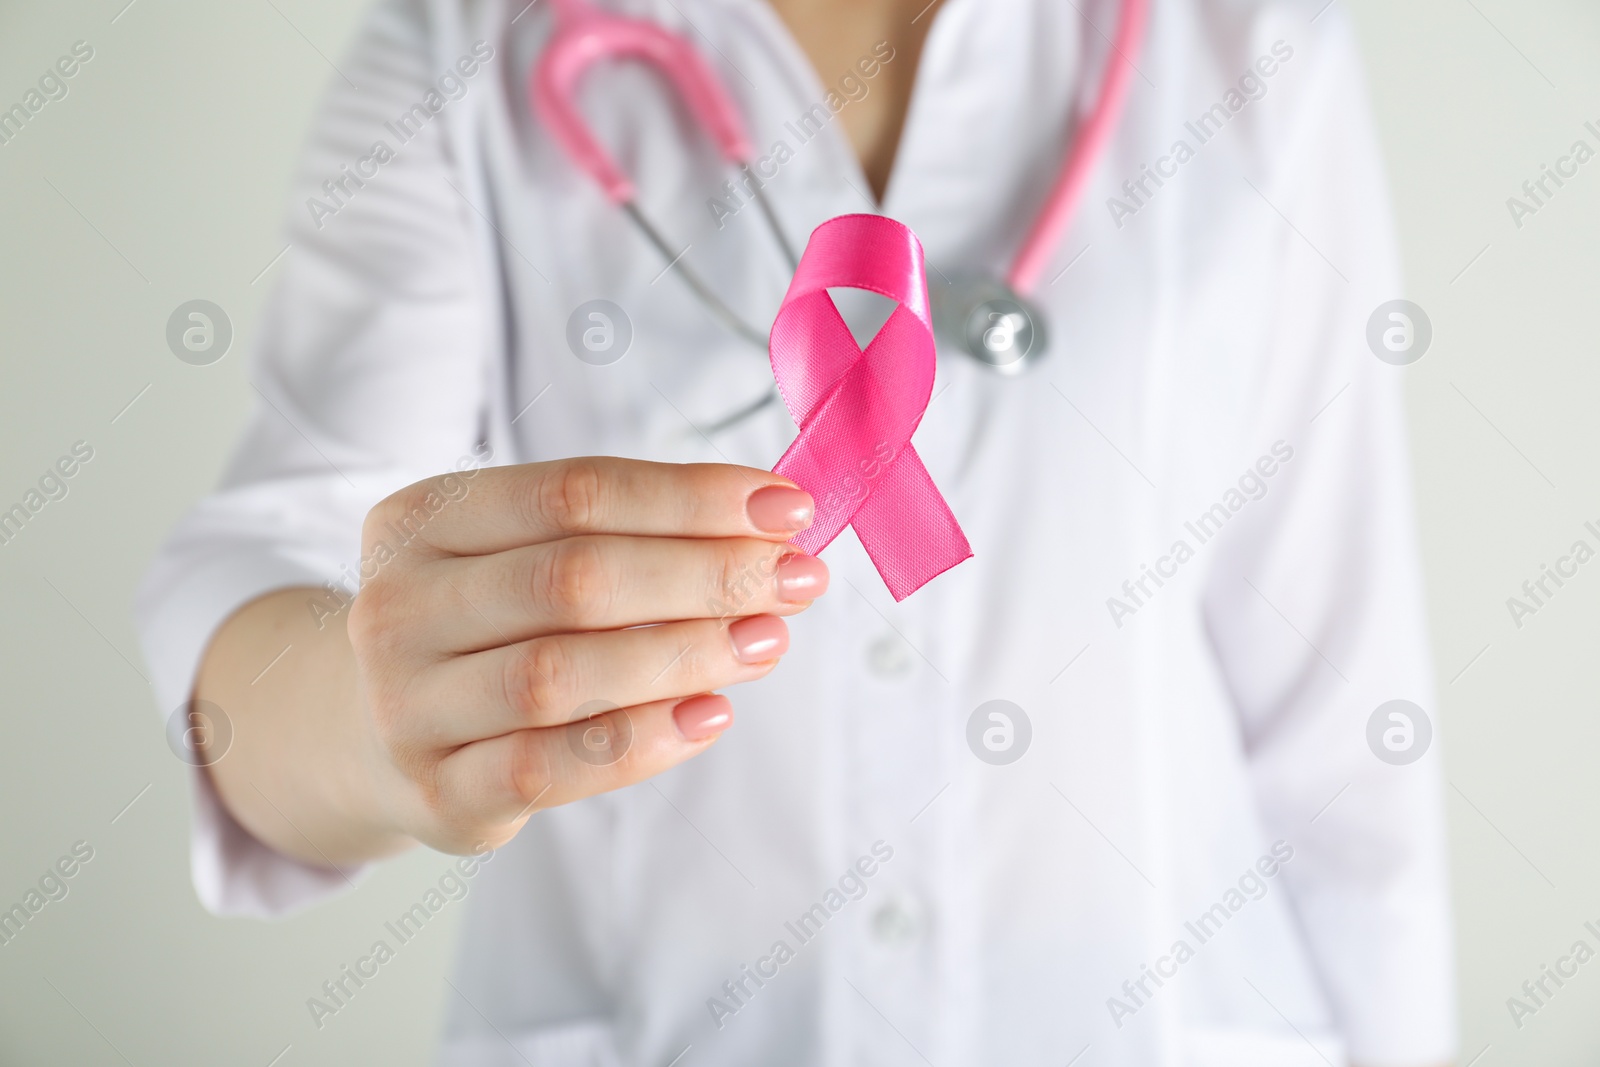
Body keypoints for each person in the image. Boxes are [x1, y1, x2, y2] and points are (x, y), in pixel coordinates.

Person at [136, 0, 1455, 1063]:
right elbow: (273, 570)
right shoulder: (467, 47)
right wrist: (385, 712)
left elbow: (1343, 739)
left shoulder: (1254, 50)